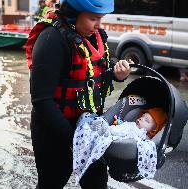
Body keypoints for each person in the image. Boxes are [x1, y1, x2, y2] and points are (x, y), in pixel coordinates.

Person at [25, 0, 132, 188]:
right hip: (53, 131)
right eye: (93, 18)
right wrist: (75, 138)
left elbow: (97, 72)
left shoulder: (95, 35)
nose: (99, 25)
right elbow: (41, 101)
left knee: (97, 183)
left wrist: (117, 74)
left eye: (101, 18)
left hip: (89, 127)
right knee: (51, 183)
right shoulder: (51, 39)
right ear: (74, 14)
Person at [73, 108, 168, 184]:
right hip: (120, 131)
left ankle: (99, 127)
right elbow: (121, 127)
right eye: (142, 116)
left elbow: (142, 143)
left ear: (154, 129)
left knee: (114, 132)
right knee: (116, 129)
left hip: (124, 139)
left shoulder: (144, 136)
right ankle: (93, 124)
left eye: (146, 120)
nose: (141, 118)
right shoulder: (132, 124)